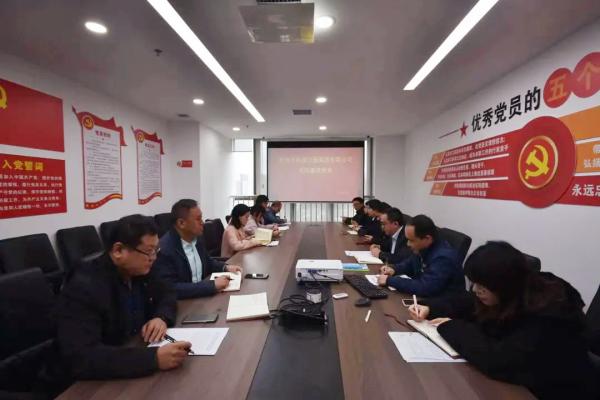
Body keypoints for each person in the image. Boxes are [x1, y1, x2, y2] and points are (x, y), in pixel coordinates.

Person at [408, 241, 599, 400]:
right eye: (475, 283)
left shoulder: (548, 315)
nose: (475, 290)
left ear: (504, 283)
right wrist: (431, 308)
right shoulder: (512, 291)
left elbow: (498, 359)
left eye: (482, 286)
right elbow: (468, 301)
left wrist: (449, 326)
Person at [55, 214, 191, 382]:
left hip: (130, 355)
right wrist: (153, 358)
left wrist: (161, 317)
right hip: (90, 383)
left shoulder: (140, 269)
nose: (154, 258)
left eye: (156, 250)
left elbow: (167, 293)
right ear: (118, 251)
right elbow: (82, 357)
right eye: (149, 251)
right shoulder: (83, 286)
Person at [154, 199, 243, 299]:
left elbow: (207, 262)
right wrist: (211, 286)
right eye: (198, 219)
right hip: (183, 304)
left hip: (201, 298)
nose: (202, 222)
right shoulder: (165, 249)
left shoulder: (196, 238)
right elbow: (170, 289)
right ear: (181, 223)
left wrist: (225, 267)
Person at [378, 214, 464, 297]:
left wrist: (390, 280)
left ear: (427, 238)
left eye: (411, 240)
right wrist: (394, 269)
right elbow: (410, 264)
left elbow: (425, 287)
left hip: (442, 303)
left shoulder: (443, 258)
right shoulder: (422, 248)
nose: (408, 244)